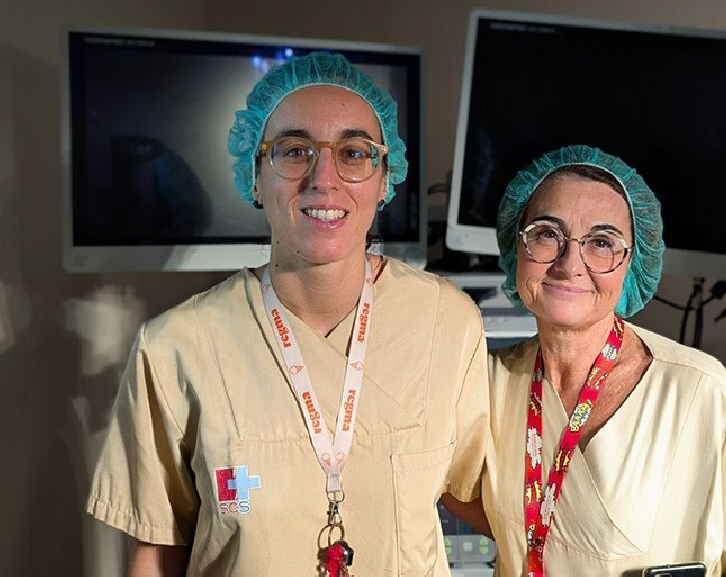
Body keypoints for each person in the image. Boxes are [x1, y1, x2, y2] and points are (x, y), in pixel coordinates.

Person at [86, 51, 489, 576]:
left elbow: (480, 495)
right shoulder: (176, 348)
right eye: (295, 151)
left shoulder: (446, 323)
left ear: (383, 181)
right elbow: (158, 550)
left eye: (354, 153)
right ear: (255, 179)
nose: (325, 178)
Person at [480, 145, 726, 575]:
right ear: (515, 245)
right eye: (547, 234)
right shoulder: (489, 382)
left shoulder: (697, 392)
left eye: (601, 243)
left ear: (632, 264)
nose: (570, 264)